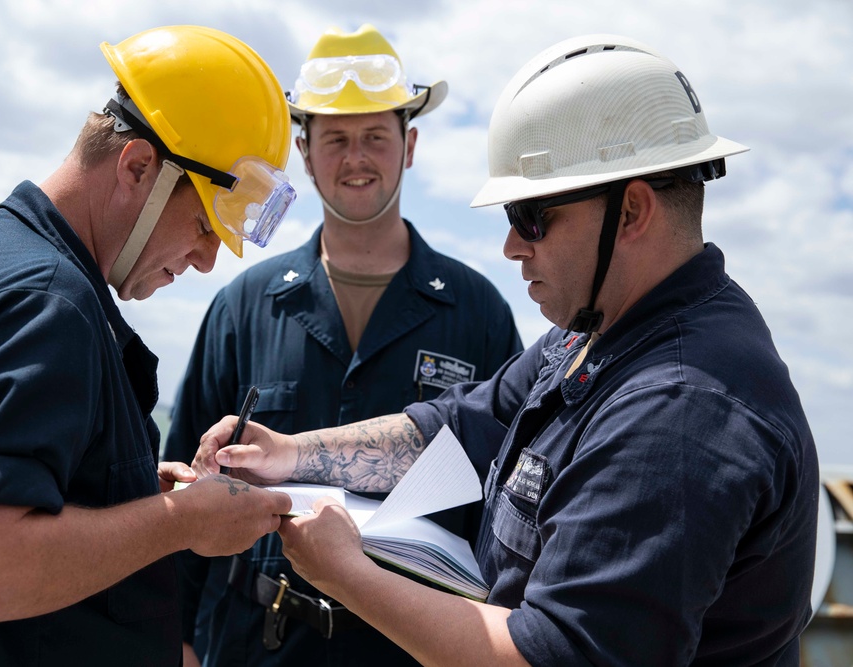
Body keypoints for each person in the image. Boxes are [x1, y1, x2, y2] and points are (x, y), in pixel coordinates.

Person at [193, 34, 820, 666]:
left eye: (532, 216)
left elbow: (554, 656)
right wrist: (289, 453)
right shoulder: (597, 334)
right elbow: (460, 427)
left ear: (631, 210)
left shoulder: (679, 411)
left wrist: (345, 575)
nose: (512, 247)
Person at [0, 25, 296, 666]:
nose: (209, 260)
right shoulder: (42, 302)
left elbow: (11, 494)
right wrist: (183, 523)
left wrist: (121, 492)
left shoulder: (11, 260)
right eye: (207, 223)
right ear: (137, 166)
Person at [164, 24, 523, 667]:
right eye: (335, 139)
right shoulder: (244, 307)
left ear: (408, 146)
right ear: (304, 152)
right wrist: (178, 643)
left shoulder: (479, 313)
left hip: (417, 645)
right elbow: (184, 483)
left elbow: (509, 505)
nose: (356, 158)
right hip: (254, 643)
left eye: (374, 137)